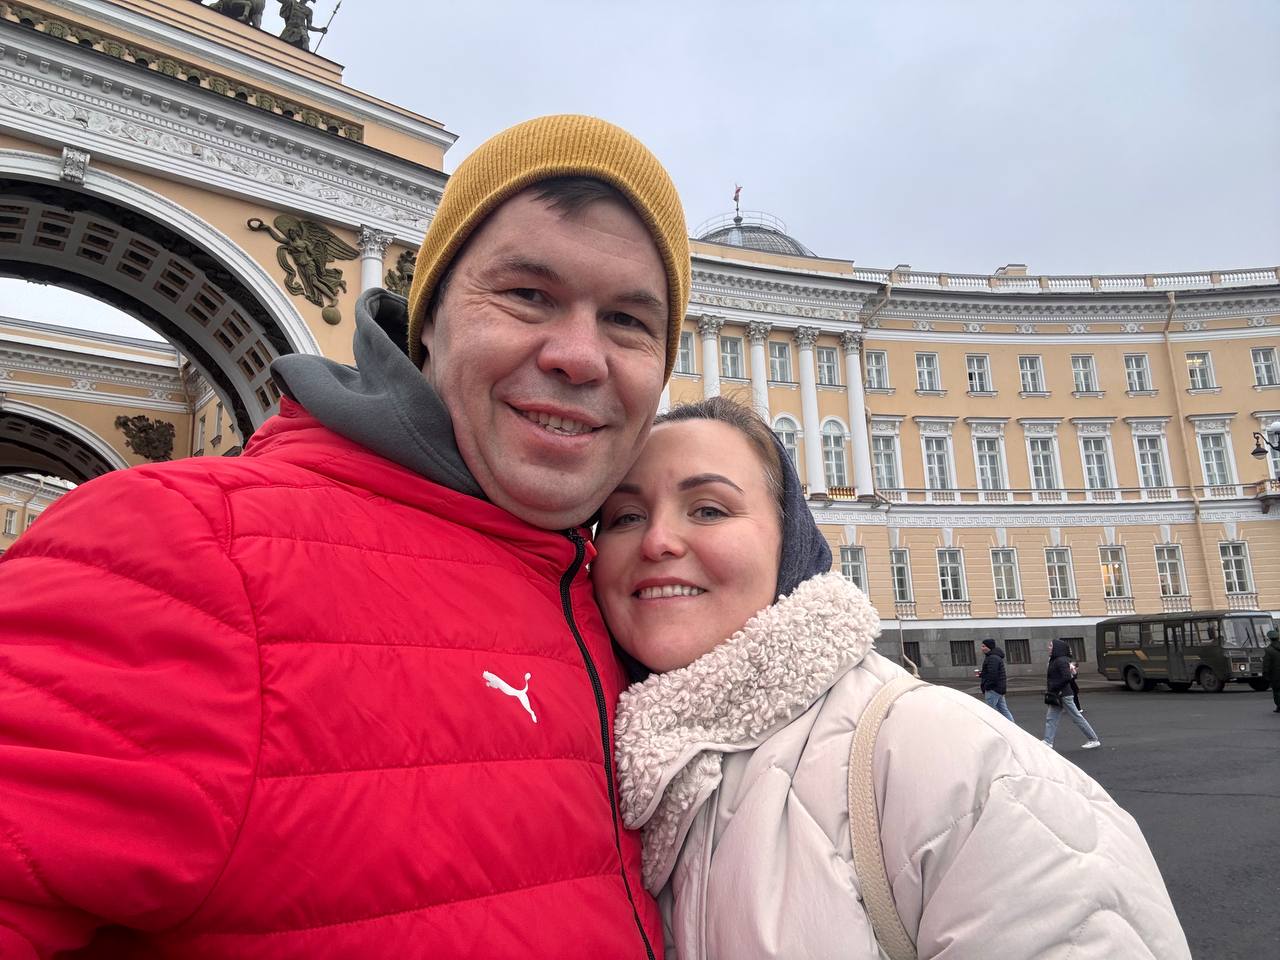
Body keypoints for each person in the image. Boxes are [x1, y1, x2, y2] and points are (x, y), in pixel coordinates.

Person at [0, 115, 691, 957]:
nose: (580, 356)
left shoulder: (627, 607)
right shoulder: (184, 553)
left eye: (627, 321)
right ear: (428, 319)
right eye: (528, 295)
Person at [596, 396, 1189, 959]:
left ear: (790, 542)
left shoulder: (961, 764)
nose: (657, 540)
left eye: (709, 509)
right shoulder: (611, 765)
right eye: (625, 516)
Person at [1045, 638, 1102, 750]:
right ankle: (1048, 741)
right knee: (1051, 718)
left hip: (1063, 694)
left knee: (1076, 717)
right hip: (1058, 694)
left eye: (1051, 645)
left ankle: (1093, 739)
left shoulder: (1061, 660)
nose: (1049, 647)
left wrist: (1054, 687)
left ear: (1057, 648)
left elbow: (1067, 677)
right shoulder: (1056, 659)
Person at [978, 637, 1014, 720]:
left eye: (984, 646)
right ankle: (1012, 725)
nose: (982, 648)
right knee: (1003, 710)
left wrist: (987, 686)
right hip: (999, 688)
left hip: (993, 689)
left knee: (989, 711)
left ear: (989, 647)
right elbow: (992, 672)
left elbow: (993, 675)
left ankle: (991, 726)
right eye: (982, 646)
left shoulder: (992, 658)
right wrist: (982, 674)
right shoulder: (994, 656)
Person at [1263, 628, 1280, 713]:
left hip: (1275, 675)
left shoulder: (1269, 650)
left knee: (1277, 691)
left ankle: (1279, 706)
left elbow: (1266, 664)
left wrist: (1265, 674)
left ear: (1269, 638)